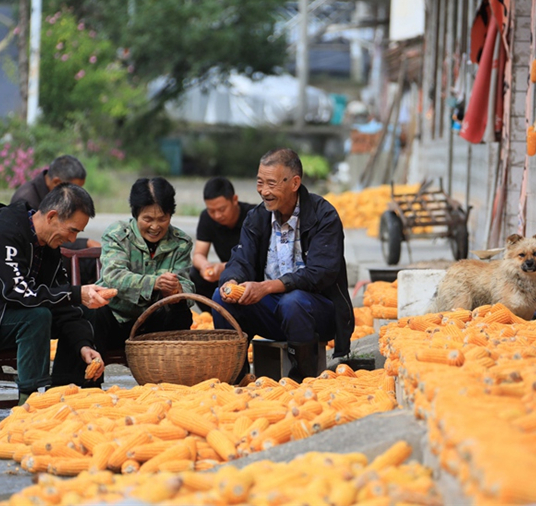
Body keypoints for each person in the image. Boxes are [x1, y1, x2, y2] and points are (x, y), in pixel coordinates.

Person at [0, 183, 112, 404]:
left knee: (86, 313)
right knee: (37, 316)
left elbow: (62, 300)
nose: (71, 239)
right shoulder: (2, 233)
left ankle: (65, 391)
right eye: (72, 230)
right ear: (51, 216)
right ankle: (29, 400)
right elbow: (18, 293)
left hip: (8, 317)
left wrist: (83, 345)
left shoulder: (49, 247)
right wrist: (76, 293)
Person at [212, 149, 354, 382]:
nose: (264, 191)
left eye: (271, 183)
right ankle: (236, 376)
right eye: (260, 182)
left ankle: (301, 377)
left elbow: (320, 273)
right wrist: (231, 280)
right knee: (220, 297)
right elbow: (241, 259)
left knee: (294, 301)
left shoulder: (324, 216)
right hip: (273, 312)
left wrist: (267, 287)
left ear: (294, 183)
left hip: (317, 312)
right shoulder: (256, 217)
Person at [89, 177, 194, 363]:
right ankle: (92, 382)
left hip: (153, 325)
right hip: (116, 320)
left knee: (181, 312)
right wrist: (154, 283)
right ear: (136, 214)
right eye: (148, 219)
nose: (155, 226)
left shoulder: (181, 242)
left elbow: (187, 284)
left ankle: (170, 374)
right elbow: (113, 276)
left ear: (171, 214)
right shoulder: (117, 235)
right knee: (95, 312)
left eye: (162, 219)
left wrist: (177, 290)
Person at [11, 154, 100, 282]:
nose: (78, 195)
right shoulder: (26, 199)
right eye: (74, 190)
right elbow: (48, 236)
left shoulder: (48, 194)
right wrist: (83, 243)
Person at [188, 177, 255, 311]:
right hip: (225, 277)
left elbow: (257, 260)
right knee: (194, 274)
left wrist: (225, 267)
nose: (217, 215)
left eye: (222, 209)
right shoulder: (207, 218)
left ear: (234, 200)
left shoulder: (253, 216)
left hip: (250, 274)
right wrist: (205, 266)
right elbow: (198, 254)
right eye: (211, 210)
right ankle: (213, 317)